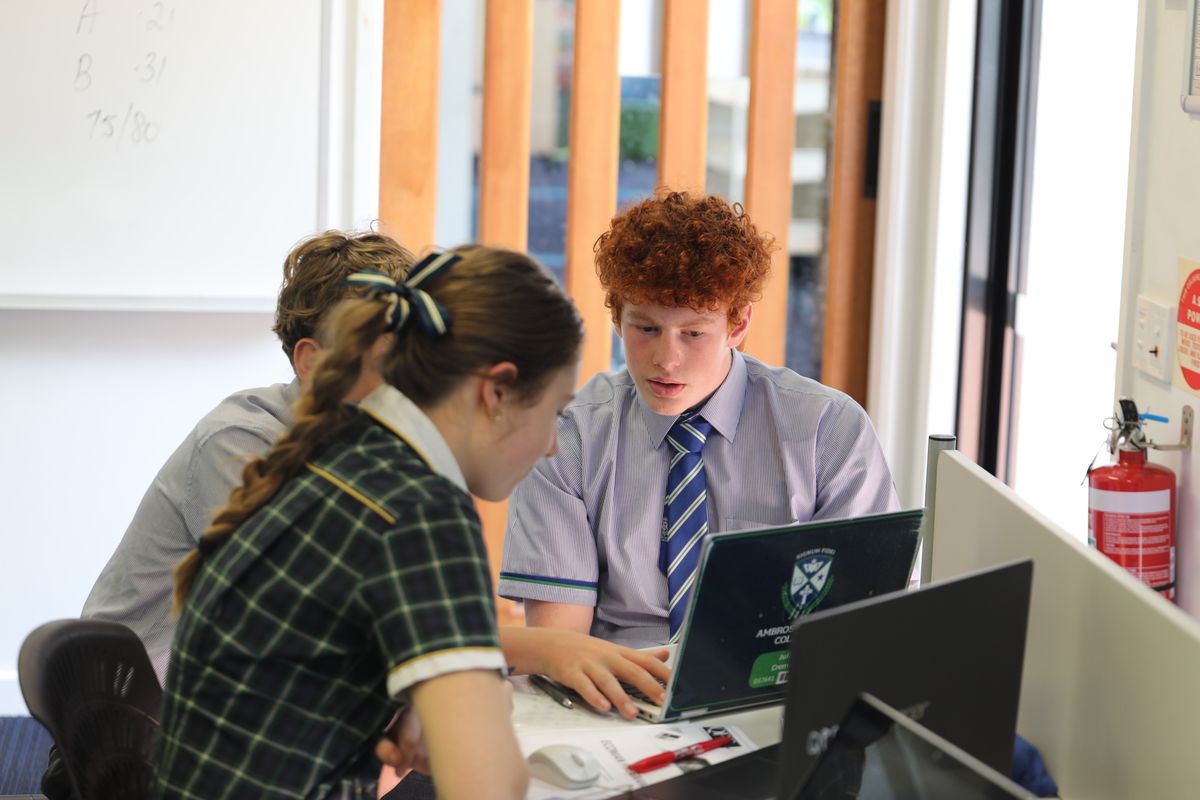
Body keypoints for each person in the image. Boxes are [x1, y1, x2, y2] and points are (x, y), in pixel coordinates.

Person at [155, 247, 585, 799]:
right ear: (496, 391)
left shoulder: (344, 454)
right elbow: (489, 788)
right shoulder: (420, 509)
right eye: (555, 412)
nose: (553, 447)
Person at [499, 191, 899, 647]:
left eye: (693, 333)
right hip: (615, 679)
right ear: (617, 317)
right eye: (646, 328)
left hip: (774, 676)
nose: (666, 359)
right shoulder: (566, 435)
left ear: (737, 325)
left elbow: (861, 619)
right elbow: (562, 647)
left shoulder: (828, 429)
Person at [81, 230, 417, 683]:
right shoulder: (239, 441)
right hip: (134, 696)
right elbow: (293, 619)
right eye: (390, 360)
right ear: (313, 362)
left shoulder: (371, 444)